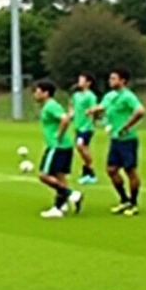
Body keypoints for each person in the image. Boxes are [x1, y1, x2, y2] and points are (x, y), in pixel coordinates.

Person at [89, 68, 146, 216]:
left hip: (127, 139)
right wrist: (94, 111)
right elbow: (102, 108)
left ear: (123, 81)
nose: (110, 81)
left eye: (114, 78)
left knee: (130, 170)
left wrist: (127, 126)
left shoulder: (128, 96)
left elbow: (140, 111)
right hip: (114, 139)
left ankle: (133, 203)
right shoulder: (109, 96)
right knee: (111, 170)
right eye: (110, 78)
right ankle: (124, 199)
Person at [34, 80, 82, 219]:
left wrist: (58, 135)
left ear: (46, 93)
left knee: (44, 176)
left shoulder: (50, 106)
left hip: (56, 146)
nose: (35, 94)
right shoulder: (52, 105)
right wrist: (70, 114)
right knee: (60, 176)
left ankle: (71, 195)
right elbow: (66, 117)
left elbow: (64, 120)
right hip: (65, 146)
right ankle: (60, 206)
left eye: (37, 91)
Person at [70, 73, 99, 185]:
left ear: (88, 83)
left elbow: (94, 109)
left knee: (80, 145)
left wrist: (92, 115)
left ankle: (89, 169)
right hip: (77, 126)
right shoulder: (76, 95)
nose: (79, 82)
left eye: (82, 80)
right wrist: (69, 116)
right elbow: (72, 108)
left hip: (86, 127)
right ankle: (88, 172)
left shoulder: (91, 96)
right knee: (82, 148)